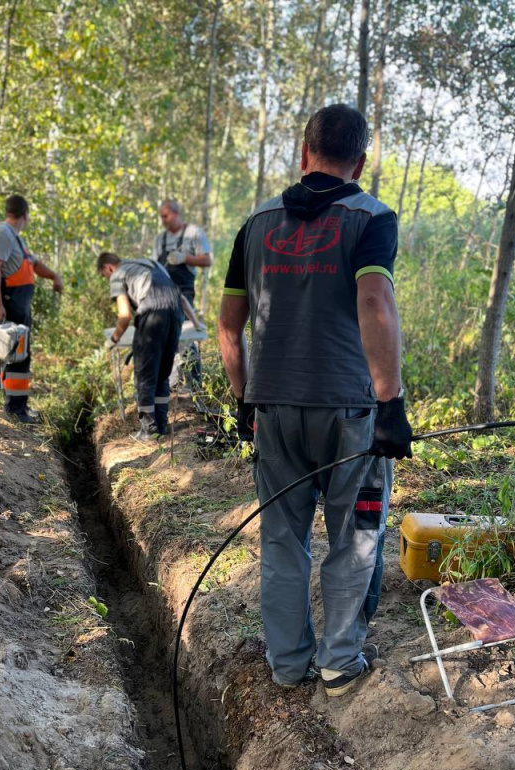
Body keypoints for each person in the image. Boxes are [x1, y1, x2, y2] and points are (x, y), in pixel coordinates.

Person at [217, 103, 413, 697]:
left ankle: (288, 663)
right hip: (350, 412)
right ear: (361, 159)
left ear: (304, 153)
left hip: (273, 409)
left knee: (282, 540)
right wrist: (392, 404)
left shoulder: (256, 224)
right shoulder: (372, 217)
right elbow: (374, 303)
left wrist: (243, 400)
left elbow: (229, 326)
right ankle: (339, 660)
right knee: (355, 536)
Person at [0, 195, 63, 423]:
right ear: (26, 214)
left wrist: (54, 276)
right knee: (17, 356)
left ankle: (18, 406)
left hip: (21, 304)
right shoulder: (1, 233)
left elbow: (34, 264)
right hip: (10, 302)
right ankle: (16, 410)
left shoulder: (16, 237)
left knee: (20, 355)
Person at [97, 252, 183, 441]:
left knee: (145, 376)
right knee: (162, 374)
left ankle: (148, 430)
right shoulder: (150, 263)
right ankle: (161, 424)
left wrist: (113, 339)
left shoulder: (118, 274)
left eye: (105, 276)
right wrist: (194, 323)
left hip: (153, 315)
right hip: (176, 313)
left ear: (108, 268)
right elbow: (180, 297)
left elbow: (125, 315)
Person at [153, 200, 212, 389]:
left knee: (185, 333)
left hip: (184, 289)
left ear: (176, 213)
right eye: (161, 216)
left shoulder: (193, 233)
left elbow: (207, 260)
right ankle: (172, 382)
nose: (163, 220)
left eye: (166, 216)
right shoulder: (159, 239)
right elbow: (154, 266)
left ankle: (194, 383)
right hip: (162, 293)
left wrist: (184, 258)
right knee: (166, 334)